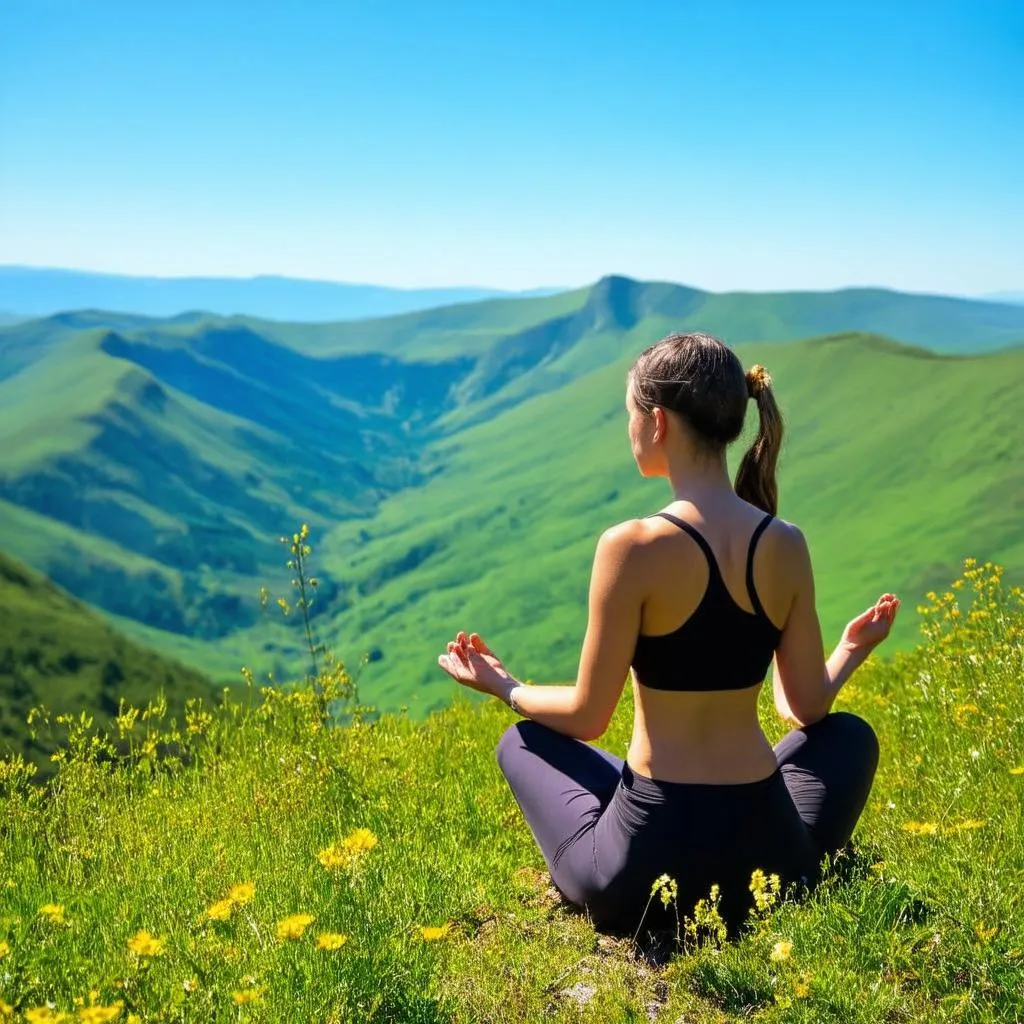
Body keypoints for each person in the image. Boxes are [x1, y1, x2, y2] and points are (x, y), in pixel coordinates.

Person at [436, 331, 899, 937]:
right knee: (848, 736)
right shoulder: (784, 542)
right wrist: (848, 651)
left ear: (657, 422)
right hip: (772, 858)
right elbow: (807, 709)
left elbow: (585, 715)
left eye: (629, 415)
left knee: (522, 741)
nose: (628, 430)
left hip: (645, 874)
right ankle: (795, 862)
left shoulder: (631, 547)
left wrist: (505, 685)